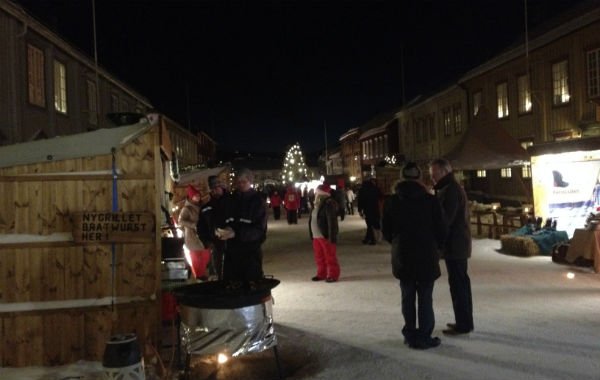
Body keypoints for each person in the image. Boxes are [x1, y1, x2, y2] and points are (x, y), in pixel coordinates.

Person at [382, 162, 448, 349]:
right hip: (427, 254)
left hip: (403, 255)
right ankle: (425, 335)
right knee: (426, 297)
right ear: (419, 178)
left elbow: (386, 230)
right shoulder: (430, 200)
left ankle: (410, 333)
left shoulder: (392, 201)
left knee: (407, 295)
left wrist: (397, 242)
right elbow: (441, 229)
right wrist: (437, 247)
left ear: (401, 177)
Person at [430, 158, 474, 335]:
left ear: (443, 171)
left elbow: (445, 220)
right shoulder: (448, 188)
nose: (432, 177)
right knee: (459, 283)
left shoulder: (450, 190)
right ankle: (464, 321)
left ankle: (463, 324)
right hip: (456, 245)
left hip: (455, 246)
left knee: (459, 285)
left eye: (434, 173)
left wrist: (436, 239)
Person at [217, 168, 268, 283]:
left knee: (251, 287)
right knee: (232, 287)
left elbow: (259, 230)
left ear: (250, 182)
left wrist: (237, 233)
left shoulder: (258, 202)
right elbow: (225, 219)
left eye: (244, 181)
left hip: (250, 253)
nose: (240, 184)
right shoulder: (231, 199)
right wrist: (224, 229)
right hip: (232, 253)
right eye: (238, 182)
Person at [197, 175, 229, 280]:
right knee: (218, 274)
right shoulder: (206, 208)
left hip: (233, 246)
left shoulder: (232, 202)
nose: (216, 190)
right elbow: (201, 228)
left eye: (217, 187)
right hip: (215, 246)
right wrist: (207, 242)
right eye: (213, 188)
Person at [308, 183, 340, 283]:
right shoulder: (316, 204)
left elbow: (332, 221)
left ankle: (333, 274)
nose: (315, 194)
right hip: (316, 236)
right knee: (319, 256)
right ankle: (321, 273)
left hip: (325, 235)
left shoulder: (328, 203)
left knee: (330, 256)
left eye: (317, 193)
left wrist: (332, 236)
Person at [178, 185, 210, 280]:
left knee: (205, 255)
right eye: (195, 196)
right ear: (191, 197)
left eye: (198, 195)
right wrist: (193, 225)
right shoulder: (187, 208)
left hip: (203, 235)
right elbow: (181, 221)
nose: (198, 197)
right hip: (192, 237)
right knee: (196, 258)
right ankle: (199, 276)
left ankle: (202, 273)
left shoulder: (202, 206)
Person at [357, 176, 383, 245]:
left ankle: (372, 239)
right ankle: (368, 238)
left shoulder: (362, 189)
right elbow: (381, 196)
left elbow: (360, 200)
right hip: (375, 208)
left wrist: (360, 210)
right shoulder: (375, 188)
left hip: (367, 209)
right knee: (373, 223)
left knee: (369, 224)